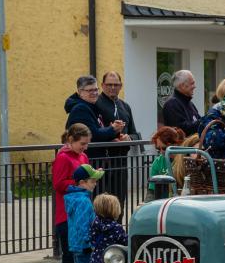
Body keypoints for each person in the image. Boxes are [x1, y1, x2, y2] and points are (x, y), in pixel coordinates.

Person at [53, 125, 92, 263]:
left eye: (86, 144)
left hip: (80, 215)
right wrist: (79, 185)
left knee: (79, 260)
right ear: (71, 140)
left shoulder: (83, 157)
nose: (84, 147)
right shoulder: (63, 157)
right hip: (66, 216)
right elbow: (58, 184)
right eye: (81, 143)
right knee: (69, 260)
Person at [64, 164, 104, 263]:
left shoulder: (75, 198)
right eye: (92, 181)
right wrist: (88, 243)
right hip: (83, 245)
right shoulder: (83, 201)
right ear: (82, 182)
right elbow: (82, 225)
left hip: (76, 243)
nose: (95, 184)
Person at [64, 75, 127, 171]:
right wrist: (112, 129)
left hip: (93, 161)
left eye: (96, 89)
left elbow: (97, 131)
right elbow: (93, 134)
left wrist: (114, 133)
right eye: (90, 90)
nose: (94, 93)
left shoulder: (91, 106)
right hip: (87, 162)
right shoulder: (81, 109)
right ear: (80, 92)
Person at [97, 71, 139, 209]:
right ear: (102, 85)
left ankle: (118, 229)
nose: (112, 87)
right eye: (109, 84)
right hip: (102, 162)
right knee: (103, 204)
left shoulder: (125, 106)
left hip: (121, 161)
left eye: (116, 84)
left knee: (119, 202)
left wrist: (128, 138)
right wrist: (110, 134)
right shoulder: (96, 104)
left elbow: (135, 134)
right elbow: (93, 132)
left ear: (121, 86)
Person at [146, 126, 185, 199]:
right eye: (158, 149)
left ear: (176, 144)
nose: (161, 152)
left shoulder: (185, 160)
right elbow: (151, 191)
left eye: (164, 148)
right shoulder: (158, 162)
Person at [161, 70, 202, 136]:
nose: (194, 86)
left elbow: (199, 121)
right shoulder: (172, 104)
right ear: (182, 86)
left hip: (192, 145)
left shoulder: (189, 103)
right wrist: (204, 121)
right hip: (181, 145)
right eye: (192, 83)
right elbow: (181, 130)